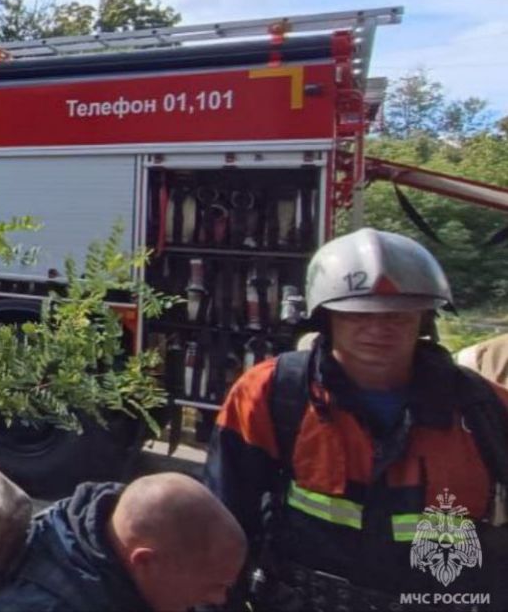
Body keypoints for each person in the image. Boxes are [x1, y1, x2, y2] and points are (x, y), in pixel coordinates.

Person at [205, 228, 508, 610]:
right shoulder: (271, 394)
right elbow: (221, 519)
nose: (379, 328)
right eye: (358, 314)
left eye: (398, 315)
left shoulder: (486, 409)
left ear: (425, 318)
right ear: (326, 317)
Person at [0, 473, 247, 612]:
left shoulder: (120, 566)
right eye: (215, 586)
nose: (220, 598)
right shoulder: (44, 605)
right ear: (145, 561)